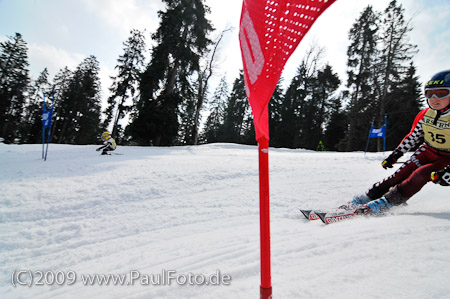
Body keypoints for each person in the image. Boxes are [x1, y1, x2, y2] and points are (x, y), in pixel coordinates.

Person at [348, 69, 450, 214]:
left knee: (421, 174)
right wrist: (395, 155)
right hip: (428, 150)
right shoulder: (425, 114)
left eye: (441, 94)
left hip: (447, 158)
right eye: (429, 94)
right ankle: (369, 197)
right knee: (400, 174)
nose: (434, 98)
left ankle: (389, 202)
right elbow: (413, 137)